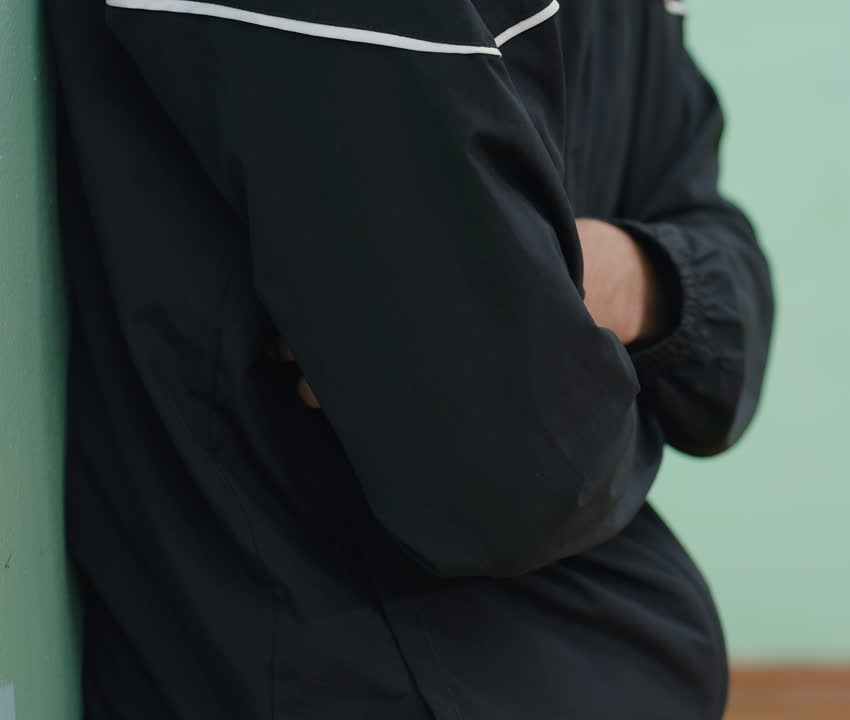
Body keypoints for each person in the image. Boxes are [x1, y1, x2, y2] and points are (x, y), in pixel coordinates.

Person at [45, 0, 774, 717]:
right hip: (362, 672)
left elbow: (728, 332)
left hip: (579, 664)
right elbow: (508, 470)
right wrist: (570, 340)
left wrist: (624, 278)